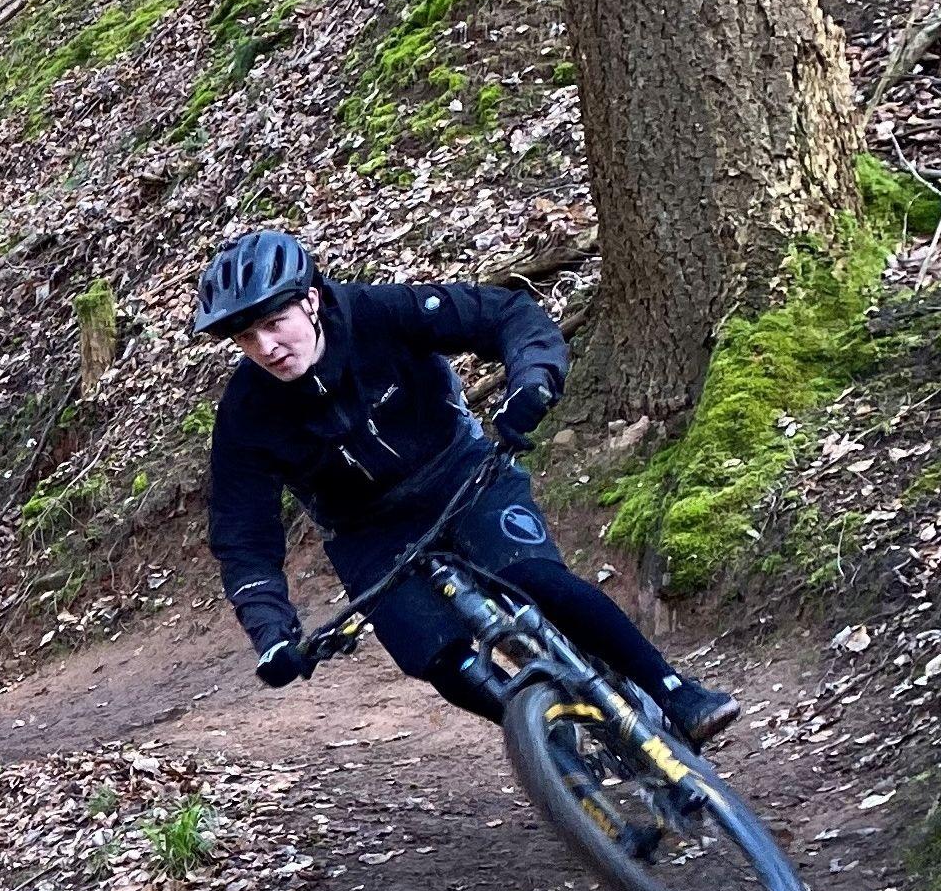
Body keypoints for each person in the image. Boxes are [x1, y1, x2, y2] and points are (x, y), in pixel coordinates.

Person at [196, 229, 738, 746]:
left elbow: (505, 315)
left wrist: (533, 380)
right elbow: (244, 539)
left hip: (461, 471)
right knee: (438, 658)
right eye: (247, 337)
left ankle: (674, 691)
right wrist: (272, 633)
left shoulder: (378, 314)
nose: (266, 347)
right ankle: (550, 753)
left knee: (536, 580)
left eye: (275, 322)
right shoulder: (246, 416)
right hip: (368, 530)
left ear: (312, 300)